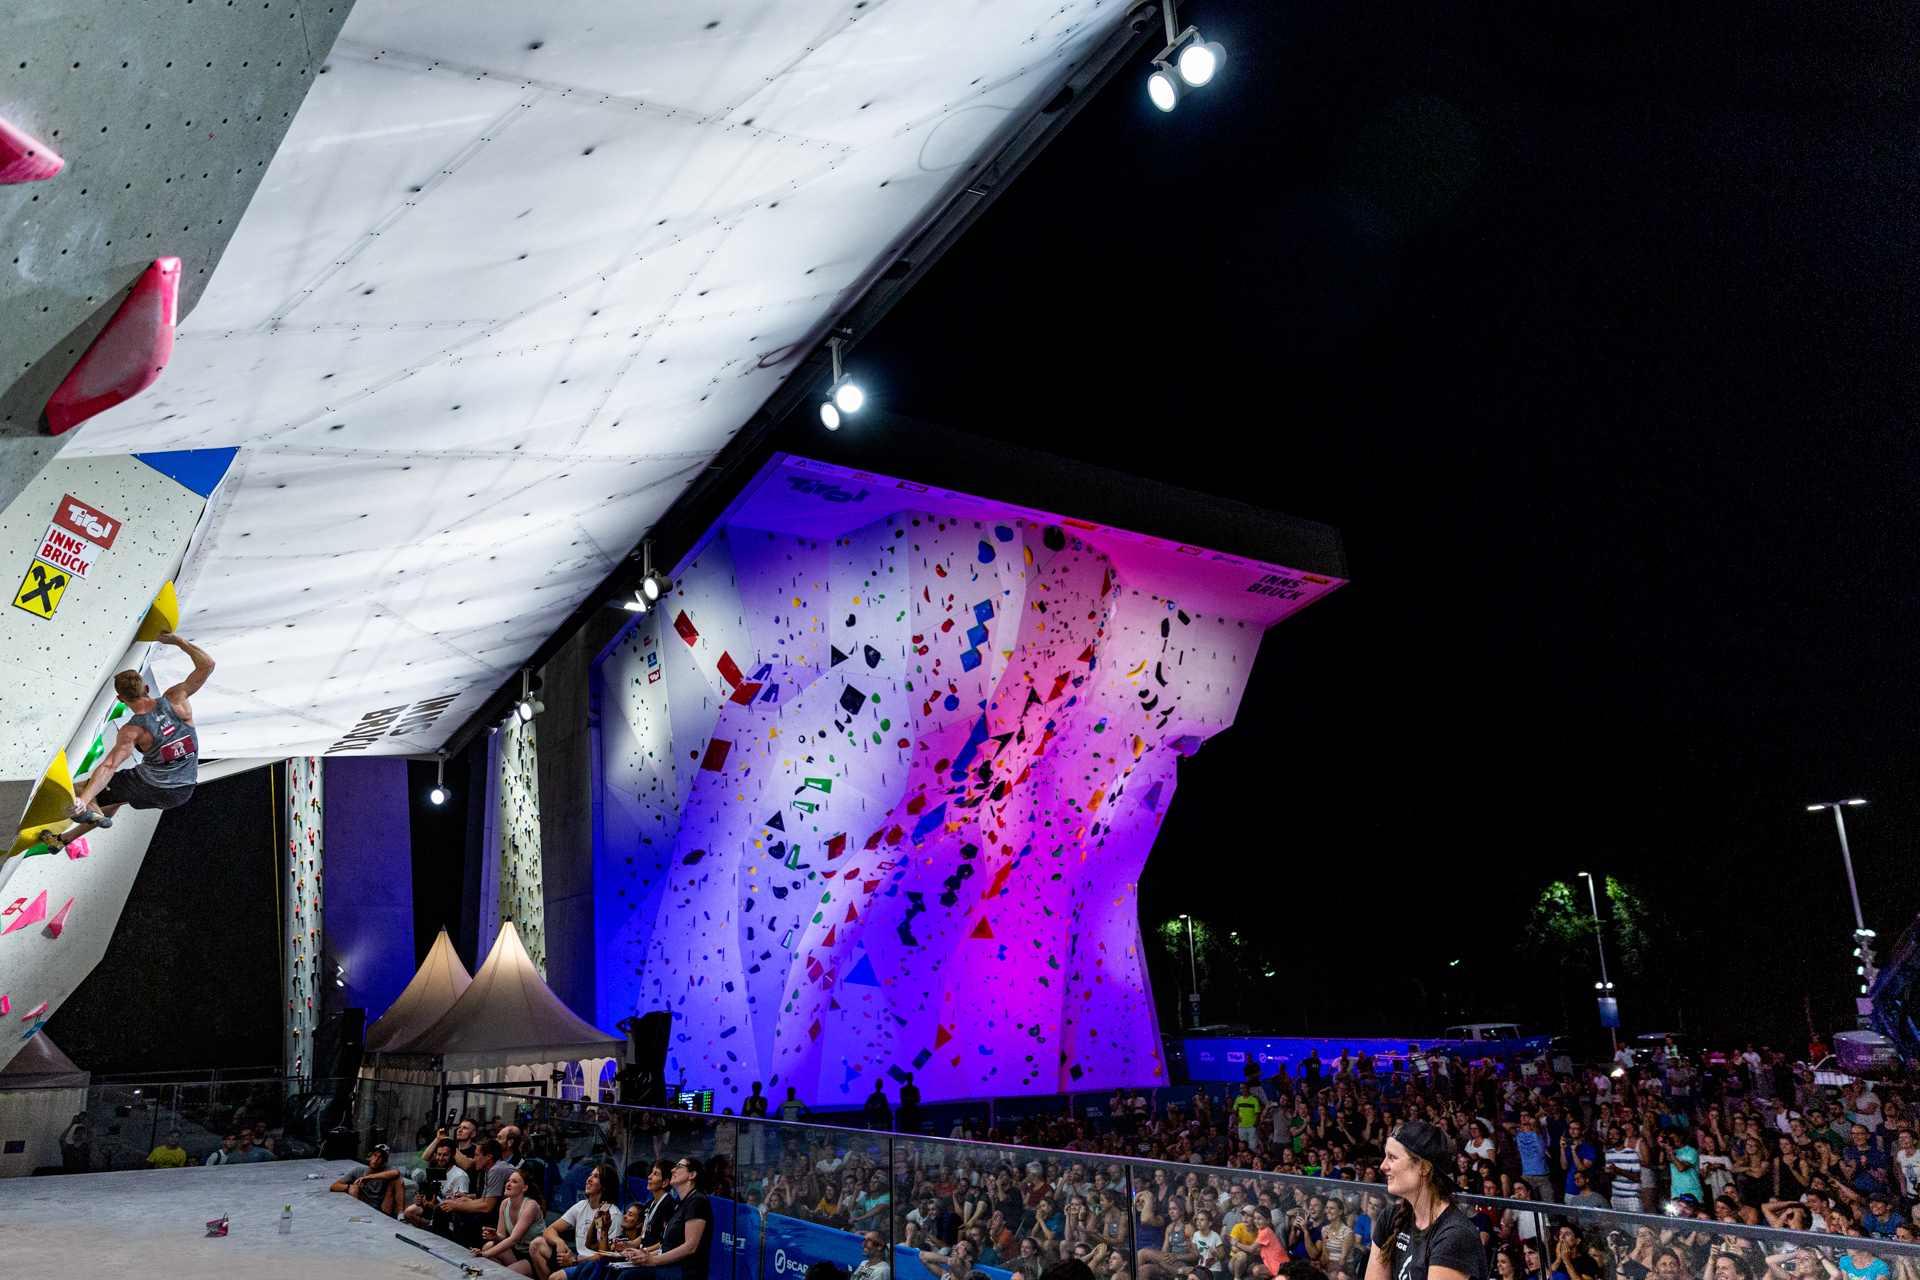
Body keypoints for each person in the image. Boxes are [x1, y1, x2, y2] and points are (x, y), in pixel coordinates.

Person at [39, 634, 214, 850]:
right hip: (183, 791)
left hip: (153, 784)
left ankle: (91, 810)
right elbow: (208, 664)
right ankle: (62, 841)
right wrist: (178, 642)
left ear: (121, 700)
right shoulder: (176, 699)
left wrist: (84, 798)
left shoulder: (133, 730)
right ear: (146, 689)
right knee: (117, 798)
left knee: (78, 788)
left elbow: (109, 766)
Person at [1365, 1122, 1486, 1280]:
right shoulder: (1390, 1218)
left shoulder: (1455, 1234)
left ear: (1424, 1167)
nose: (1383, 1166)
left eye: (1392, 1157)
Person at [625, 1156, 713, 1280]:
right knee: (612, 1267)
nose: (673, 1170)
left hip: (685, 1271)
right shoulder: (680, 1204)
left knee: (628, 1275)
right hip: (670, 1266)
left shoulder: (697, 1201)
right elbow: (667, 1247)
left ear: (692, 1175)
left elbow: (690, 1247)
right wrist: (642, 1255)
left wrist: (653, 1260)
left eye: (679, 1167)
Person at [533, 1162, 622, 1280]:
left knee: (556, 1278)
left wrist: (574, 1261)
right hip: (575, 1259)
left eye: (596, 1177)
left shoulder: (613, 1215)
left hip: (591, 1266)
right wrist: (559, 1242)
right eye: (590, 1175)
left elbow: (606, 1255)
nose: (589, 1179)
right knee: (537, 1244)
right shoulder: (581, 1206)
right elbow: (550, 1230)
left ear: (605, 1186)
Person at [473, 1166, 544, 1275]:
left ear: (524, 1187)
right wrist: (495, 1236)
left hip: (532, 1256)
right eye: (508, 1180)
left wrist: (485, 1255)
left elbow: (513, 1239)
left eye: (514, 1182)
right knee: (488, 1246)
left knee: (500, 1268)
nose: (508, 1184)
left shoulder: (531, 1206)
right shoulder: (505, 1203)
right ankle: (504, 1274)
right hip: (516, 1251)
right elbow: (502, 1235)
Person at [402, 1141, 471, 1234]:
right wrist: (421, 1199)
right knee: (409, 1212)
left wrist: (433, 1206)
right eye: (439, 1154)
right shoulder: (436, 1171)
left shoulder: (459, 1175)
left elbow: (460, 1204)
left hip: (448, 1213)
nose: (441, 1158)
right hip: (433, 1208)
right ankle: (428, 1228)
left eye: (445, 1155)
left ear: (453, 1155)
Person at [331, 1144, 407, 1218]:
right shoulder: (358, 1171)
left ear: (384, 1162)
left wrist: (369, 1177)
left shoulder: (386, 1171)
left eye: (380, 1157)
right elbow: (333, 1186)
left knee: (398, 1180)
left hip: (382, 1209)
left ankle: (400, 1216)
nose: (376, 1159)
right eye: (375, 1155)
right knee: (353, 1188)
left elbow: (396, 1173)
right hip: (363, 1207)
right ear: (370, 1157)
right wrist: (350, 1186)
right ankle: (355, 1215)